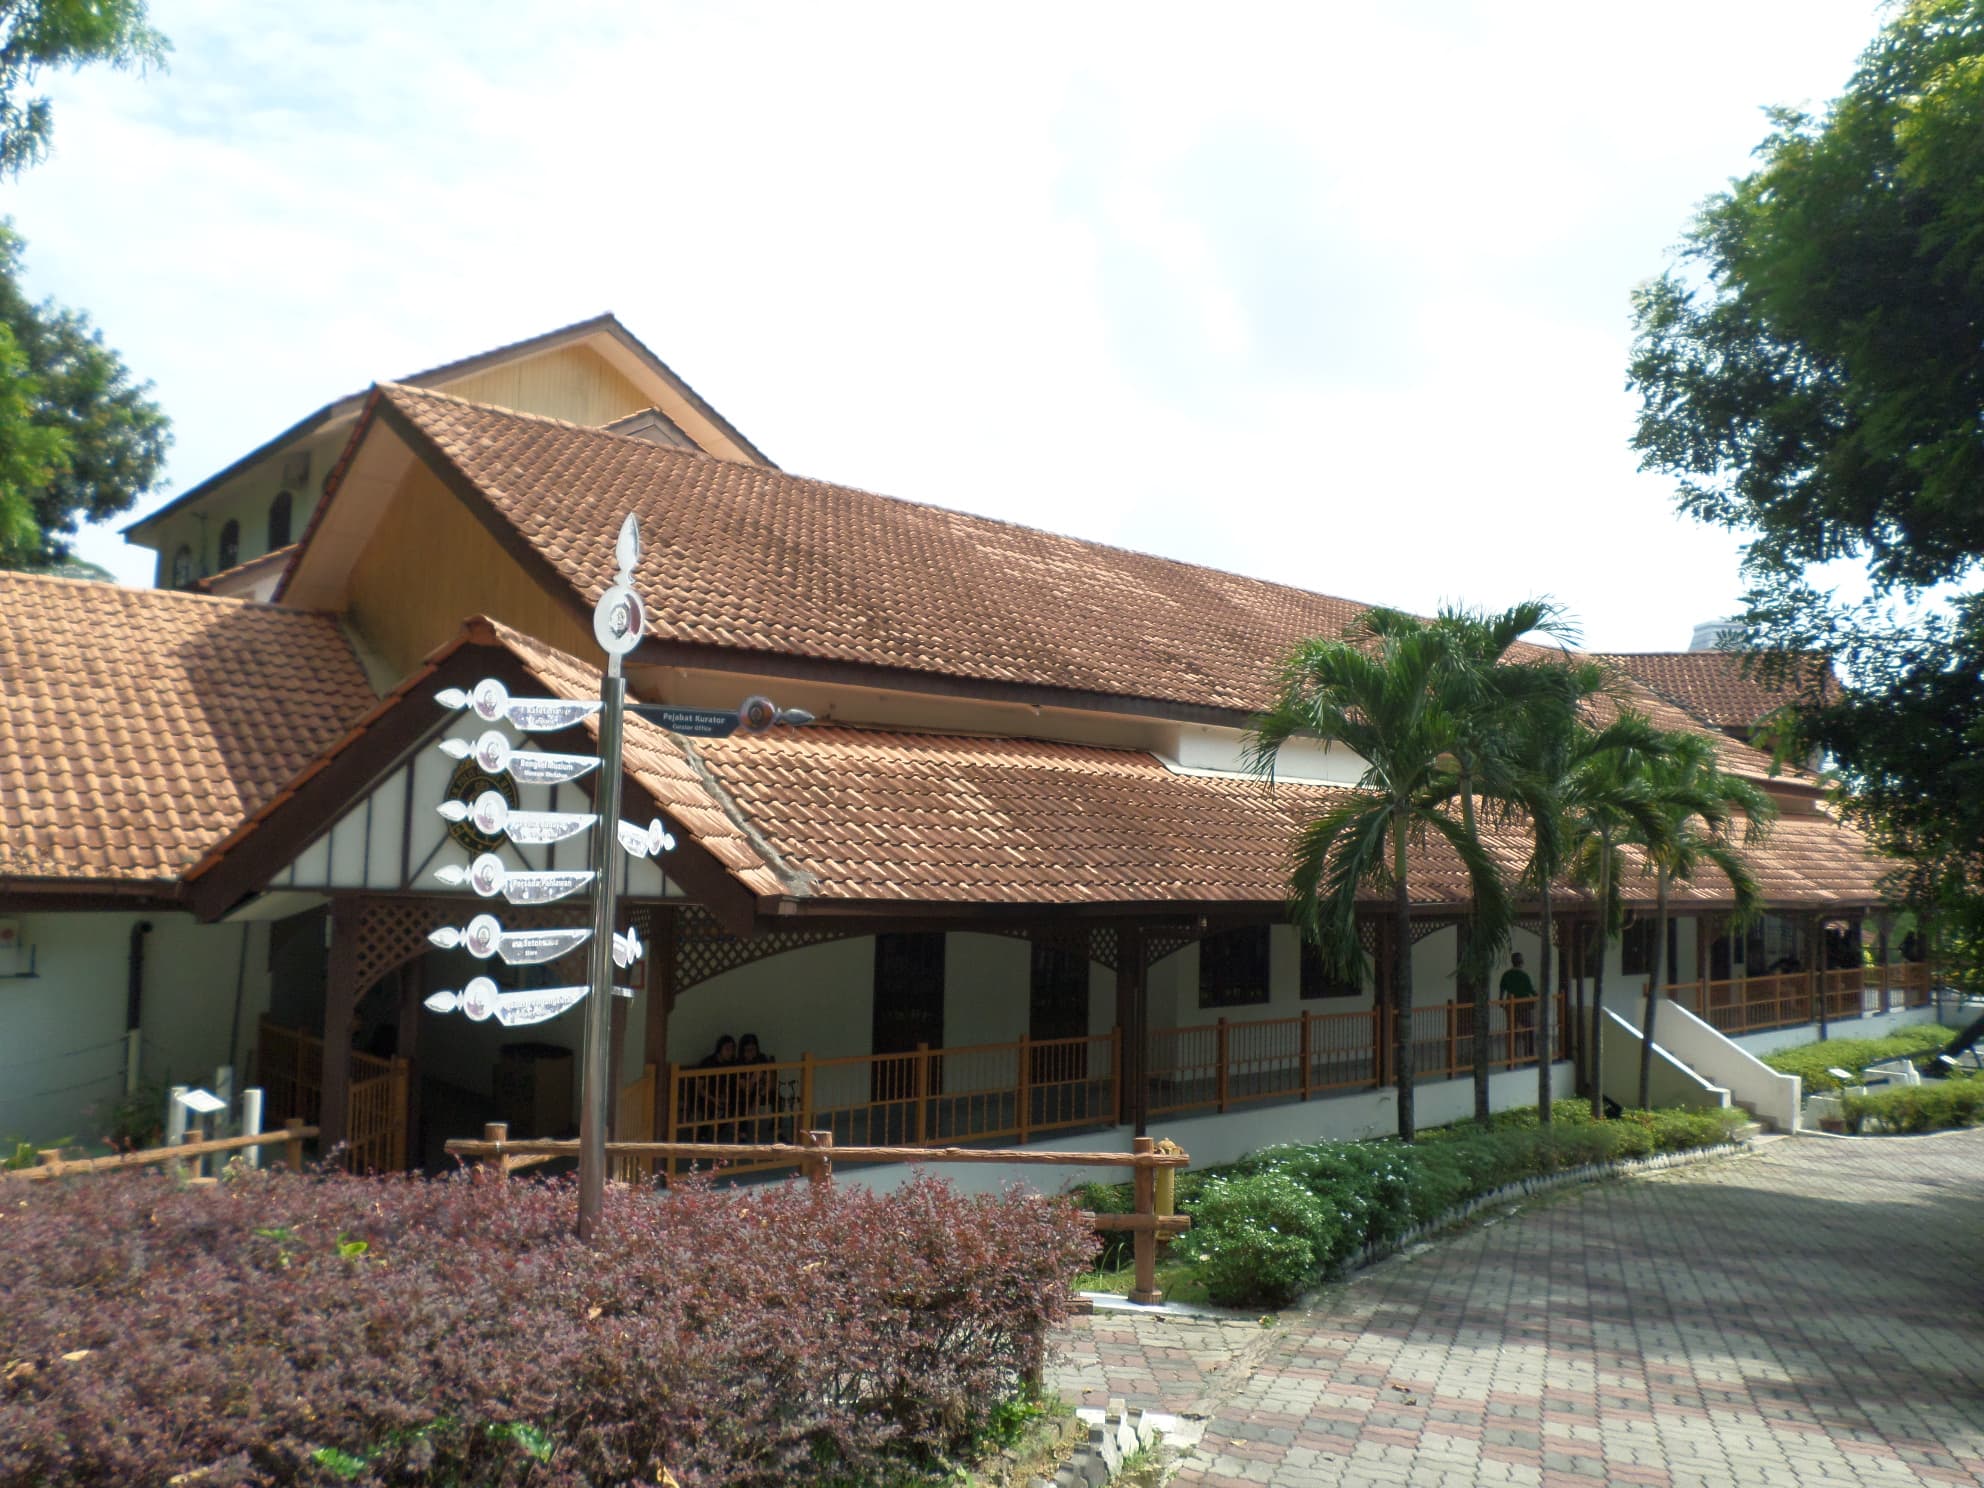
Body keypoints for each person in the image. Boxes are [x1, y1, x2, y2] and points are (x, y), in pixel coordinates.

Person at [1501, 953, 1537, 1059]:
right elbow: (1531, 990)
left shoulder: (1506, 974)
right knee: (1529, 1029)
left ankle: (1511, 1054)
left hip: (1511, 1006)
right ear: (1522, 962)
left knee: (1512, 1030)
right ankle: (1529, 1053)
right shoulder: (1524, 975)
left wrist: (1501, 1002)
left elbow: (1502, 989)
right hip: (1524, 1006)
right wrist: (1538, 996)